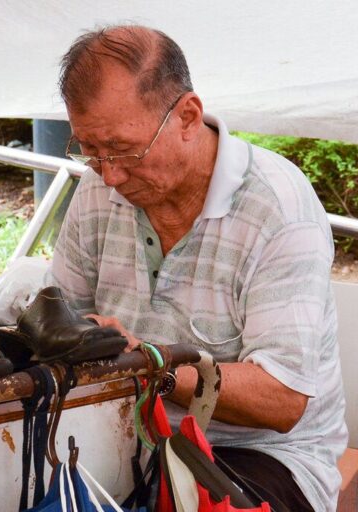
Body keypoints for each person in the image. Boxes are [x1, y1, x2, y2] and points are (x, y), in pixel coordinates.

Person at [51, 25, 347, 511]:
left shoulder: (277, 208)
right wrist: (69, 334)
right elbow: (66, 312)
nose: (109, 174)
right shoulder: (100, 187)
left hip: (259, 454)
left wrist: (149, 364)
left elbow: (282, 398)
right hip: (125, 436)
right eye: (88, 150)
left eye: (124, 149)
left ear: (187, 115)